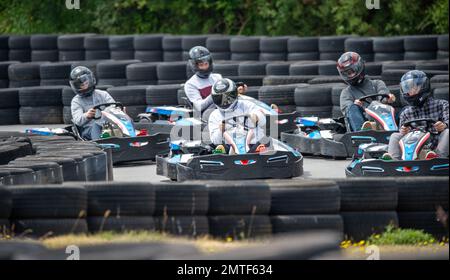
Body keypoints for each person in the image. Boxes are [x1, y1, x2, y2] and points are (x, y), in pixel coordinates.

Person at [383, 70, 449, 160]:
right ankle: (394, 161)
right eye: (407, 88)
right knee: (395, 136)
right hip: (413, 148)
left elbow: (448, 120)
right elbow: (403, 132)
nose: (410, 91)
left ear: (424, 86)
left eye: (414, 88)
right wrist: (404, 131)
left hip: (436, 145)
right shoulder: (406, 112)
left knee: (447, 132)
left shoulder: (442, 105)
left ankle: (437, 158)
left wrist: (444, 125)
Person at [338, 52, 397, 131]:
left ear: (359, 67)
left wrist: (387, 99)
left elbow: (383, 94)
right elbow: (348, 110)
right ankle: (362, 132)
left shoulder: (377, 84)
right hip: (362, 123)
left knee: (403, 110)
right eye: (347, 73)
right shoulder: (346, 93)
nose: (350, 76)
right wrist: (356, 105)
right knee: (353, 108)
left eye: (352, 71)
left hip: (382, 121)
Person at [208, 78, 269, 154]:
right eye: (220, 98)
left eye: (227, 98)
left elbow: (262, 118)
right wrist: (220, 130)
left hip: (252, 144)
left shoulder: (246, 105)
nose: (224, 102)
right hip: (229, 148)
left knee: (264, 143)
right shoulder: (214, 115)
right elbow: (215, 140)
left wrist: (256, 117)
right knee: (220, 149)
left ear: (234, 94)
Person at [184, 46, 247, 115]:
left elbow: (226, 98)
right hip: (206, 114)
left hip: (224, 109)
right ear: (195, 66)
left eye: (206, 64)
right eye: (201, 65)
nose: (205, 67)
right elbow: (199, 106)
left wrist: (236, 91)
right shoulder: (190, 84)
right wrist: (215, 95)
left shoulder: (217, 77)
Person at [70, 66, 115, 140]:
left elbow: (113, 106)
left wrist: (119, 111)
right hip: (88, 130)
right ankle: (101, 145)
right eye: (81, 85)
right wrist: (87, 116)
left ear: (91, 80)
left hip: (107, 126)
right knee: (96, 125)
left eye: (86, 83)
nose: (84, 86)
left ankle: (130, 140)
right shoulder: (76, 101)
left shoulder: (103, 94)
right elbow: (77, 120)